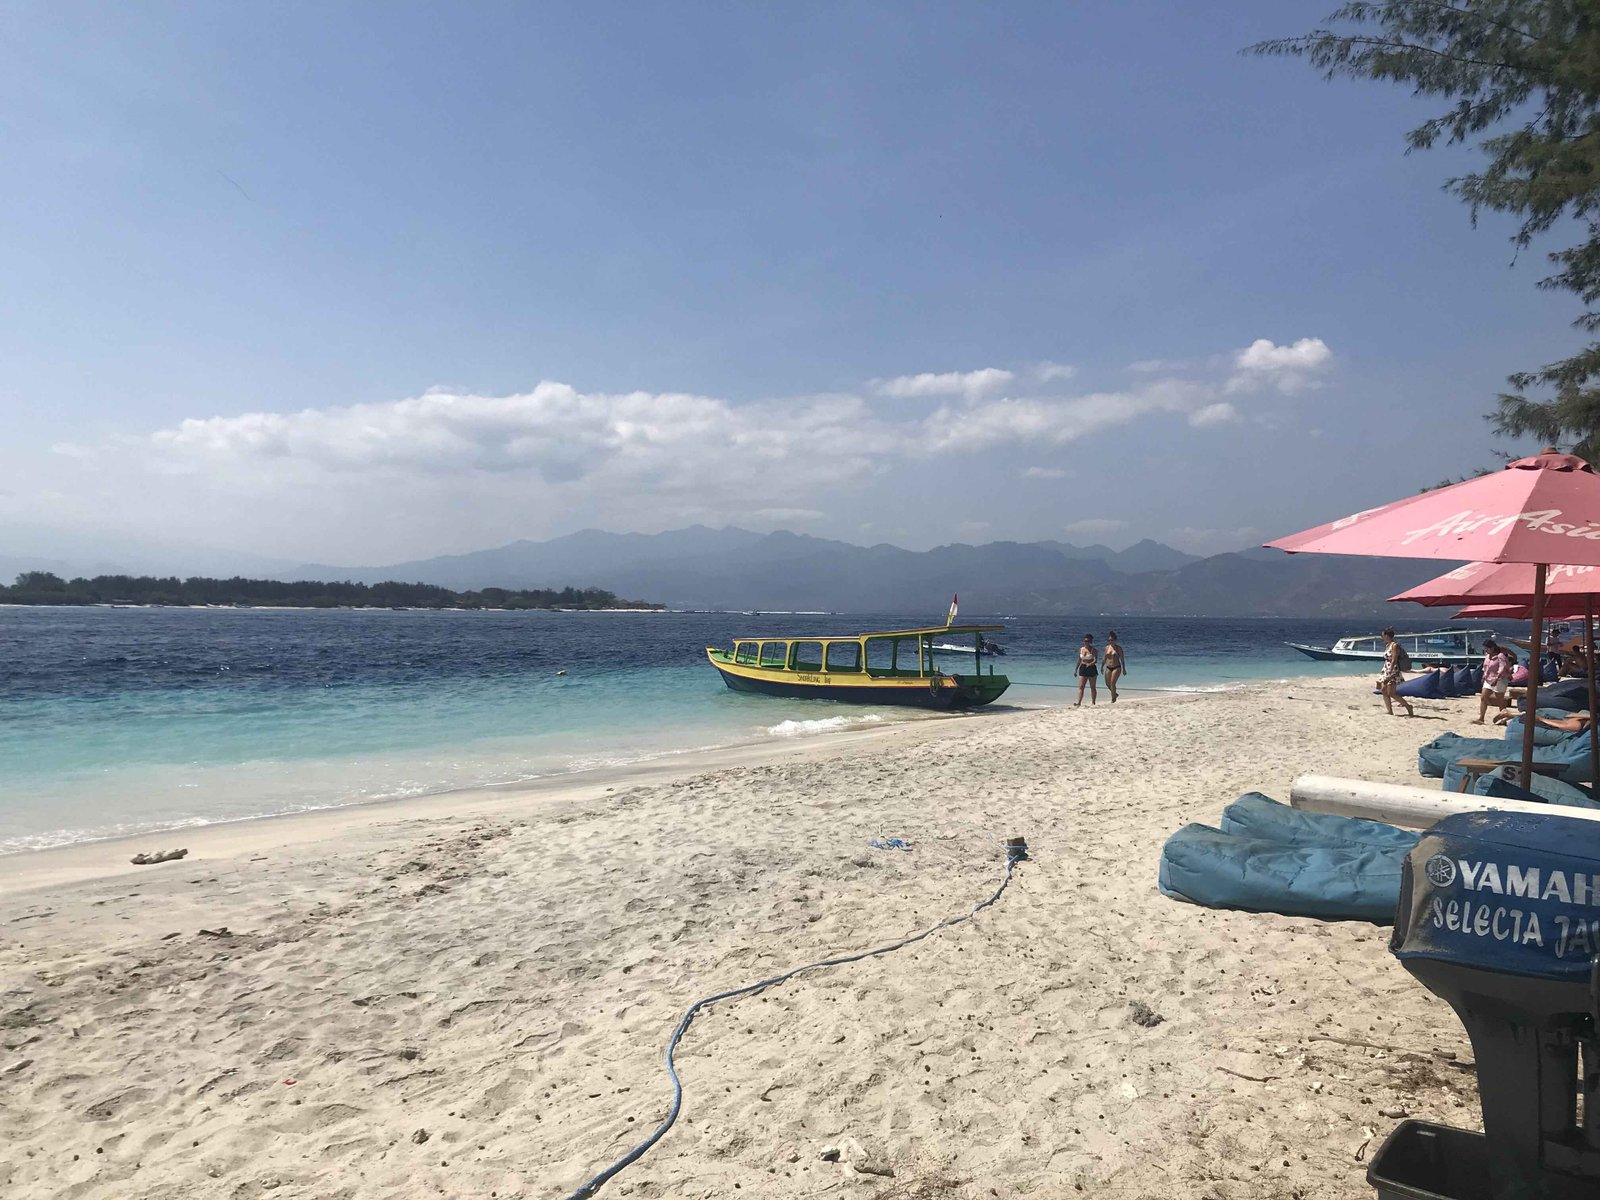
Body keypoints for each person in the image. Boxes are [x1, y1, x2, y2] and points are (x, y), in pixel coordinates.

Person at [1471, 640, 1513, 724]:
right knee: (1483, 698)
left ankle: (1503, 718)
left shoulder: (1500, 656)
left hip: (1500, 679)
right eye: (1485, 649)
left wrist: (1496, 679)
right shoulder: (1487, 656)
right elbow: (1486, 667)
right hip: (1488, 679)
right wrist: (1484, 676)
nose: (1486, 650)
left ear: (1492, 648)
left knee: (1500, 700)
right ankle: (1481, 718)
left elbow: (1502, 668)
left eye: (1487, 648)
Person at [1378, 627, 1414, 718]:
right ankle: (1389, 710)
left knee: (1392, 693)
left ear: (1387, 635)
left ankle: (1408, 707)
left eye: (1383, 635)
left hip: (1392, 670)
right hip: (1386, 669)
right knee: (1383, 690)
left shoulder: (1394, 645)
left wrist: (1390, 670)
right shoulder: (1387, 645)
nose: (1381, 637)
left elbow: (1394, 659)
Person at [1074, 633, 1099, 707]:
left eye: (1088, 641)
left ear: (1090, 641)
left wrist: (1090, 664)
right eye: (1085, 641)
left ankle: (1093, 702)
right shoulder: (1081, 649)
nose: (1086, 642)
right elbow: (1079, 660)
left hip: (1091, 668)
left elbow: (1095, 660)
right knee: (1081, 686)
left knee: (1092, 687)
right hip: (1083, 667)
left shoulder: (1093, 650)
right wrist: (1076, 669)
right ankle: (1079, 702)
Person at [1103, 630, 1126, 703]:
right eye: (1109, 640)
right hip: (1108, 667)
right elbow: (1105, 658)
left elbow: (1122, 659)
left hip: (1116, 667)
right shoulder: (1107, 648)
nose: (1110, 641)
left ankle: (1113, 699)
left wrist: (1124, 669)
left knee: (1112, 683)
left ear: (1115, 640)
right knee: (1107, 683)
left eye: (1112, 640)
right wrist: (1102, 666)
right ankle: (1115, 694)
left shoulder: (1118, 648)